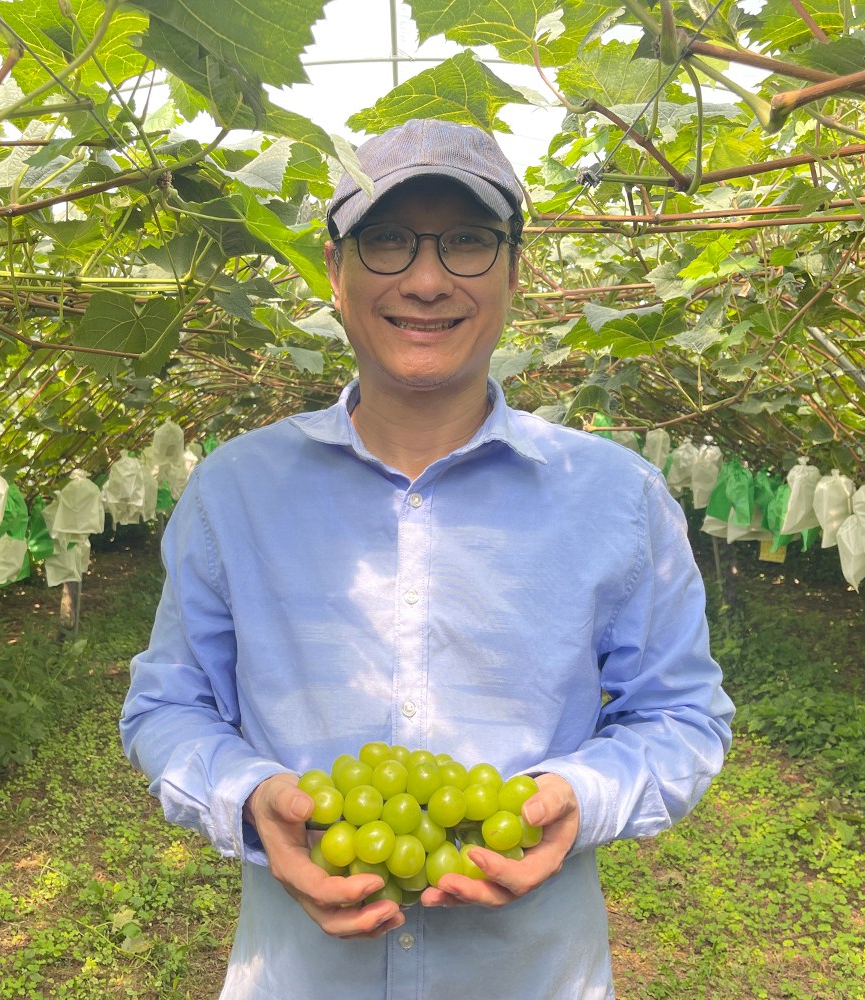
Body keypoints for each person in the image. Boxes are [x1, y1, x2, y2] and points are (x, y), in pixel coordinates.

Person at [119, 117, 734, 1000]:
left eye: (470, 243)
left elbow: (682, 715)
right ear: (334, 271)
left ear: (517, 273)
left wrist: (579, 796)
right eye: (387, 240)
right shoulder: (235, 491)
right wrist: (251, 797)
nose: (426, 279)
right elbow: (168, 705)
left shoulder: (617, 497)